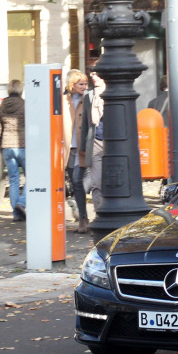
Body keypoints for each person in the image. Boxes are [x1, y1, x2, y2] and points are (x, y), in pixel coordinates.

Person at [62, 69, 89, 233]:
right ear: (72, 85)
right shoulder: (63, 101)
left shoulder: (88, 100)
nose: (84, 87)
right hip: (68, 148)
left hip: (82, 148)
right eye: (81, 84)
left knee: (78, 182)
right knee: (74, 183)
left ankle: (83, 218)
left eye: (86, 84)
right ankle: (82, 218)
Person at [0, 80, 26, 221]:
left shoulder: (3, 105)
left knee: (14, 180)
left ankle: (16, 214)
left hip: (7, 147)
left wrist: (0, 143)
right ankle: (22, 203)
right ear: (20, 90)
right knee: (31, 178)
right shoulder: (24, 104)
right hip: (22, 146)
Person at [80, 71, 107, 214]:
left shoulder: (112, 90)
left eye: (97, 74)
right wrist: (83, 145)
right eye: (92, 75)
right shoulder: (89, 94)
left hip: (112, 142)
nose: (94, 77)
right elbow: (85, 120)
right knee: (97, 182)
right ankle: (99, 214)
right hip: (95, 140)